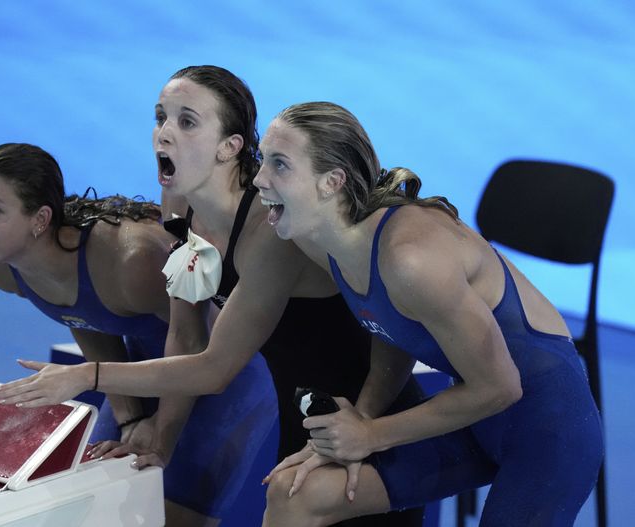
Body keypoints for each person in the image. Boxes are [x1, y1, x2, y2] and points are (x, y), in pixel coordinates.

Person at [0, 67, 425, 527]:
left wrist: (87, 375)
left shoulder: (269, 230)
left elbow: (216, 369)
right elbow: (186, 333)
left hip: (372, 413)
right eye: (160, 117)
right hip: (307, 411)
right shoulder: (179, 206)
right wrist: (162, 440)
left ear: (229, 147)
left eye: (187, 122)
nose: (164, 133)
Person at [252, 101, 605, 526]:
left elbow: (501, 387)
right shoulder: (327, 239)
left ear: (332, 182)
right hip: (474, 421)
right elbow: (394, 327)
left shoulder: (411, 258)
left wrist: (370, 435)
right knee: (295, 492)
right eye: (262, 159)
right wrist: (361, 419)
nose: (259, 178)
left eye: (279, 164)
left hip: (547, 430)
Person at [0, 142, 278, 527]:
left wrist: (162, 436)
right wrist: (130, 419)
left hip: (224, 376)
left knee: (172, 520)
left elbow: (195, 341)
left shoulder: (134, 262)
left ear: (40, 219)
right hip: (144, 371)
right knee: (100, 510)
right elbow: (84, 317)